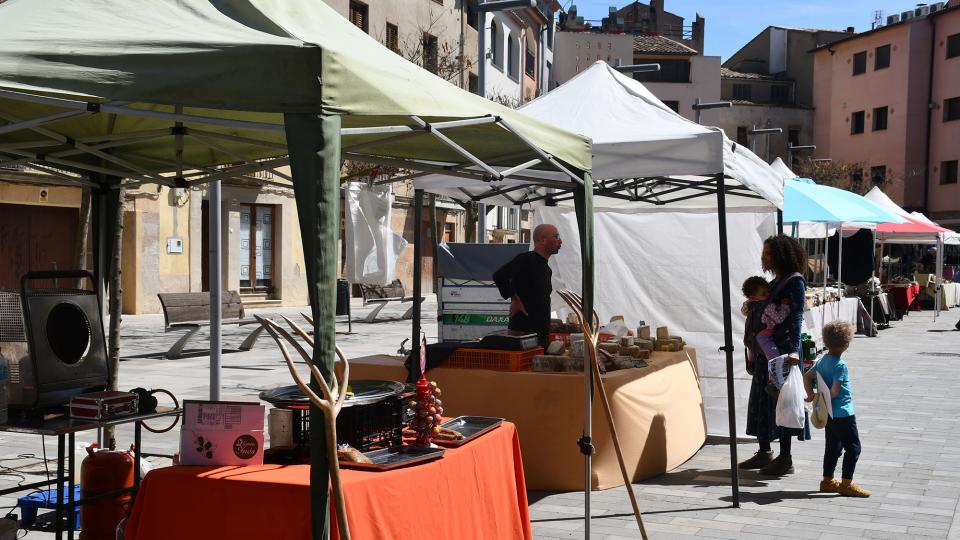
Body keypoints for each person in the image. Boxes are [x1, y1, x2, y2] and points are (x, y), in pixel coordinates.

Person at [741, 235, 809, 476]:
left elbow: (797, 316)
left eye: (768, 253)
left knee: (783, 402)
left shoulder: (794, 282)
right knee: (763, 401)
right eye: (764, 253)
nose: (764, 257)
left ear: (782, 254)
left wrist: (792, 350)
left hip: (782, 353)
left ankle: (785, 458)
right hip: (766, 353)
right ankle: (764, 451)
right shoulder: (777, 281)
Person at [803, 320, 870, 497]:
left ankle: (827, 481)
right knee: (853, 448)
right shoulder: (841, 366)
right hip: (843, 413)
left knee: (832, 447)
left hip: (829, 415)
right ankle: (846, 483)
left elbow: (807, 377)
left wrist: (812, 396)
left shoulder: (822, 360)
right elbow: (834, 392)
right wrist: (821, 397)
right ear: (847, 344)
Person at [492, 224, 562, 347]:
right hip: (523, 335)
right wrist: (514, 298)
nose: (560, 241)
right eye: (556, 237)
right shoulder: (526, 259)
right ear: (543, 240)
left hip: (540, 336)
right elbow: (499, 275)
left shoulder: (547, 269)